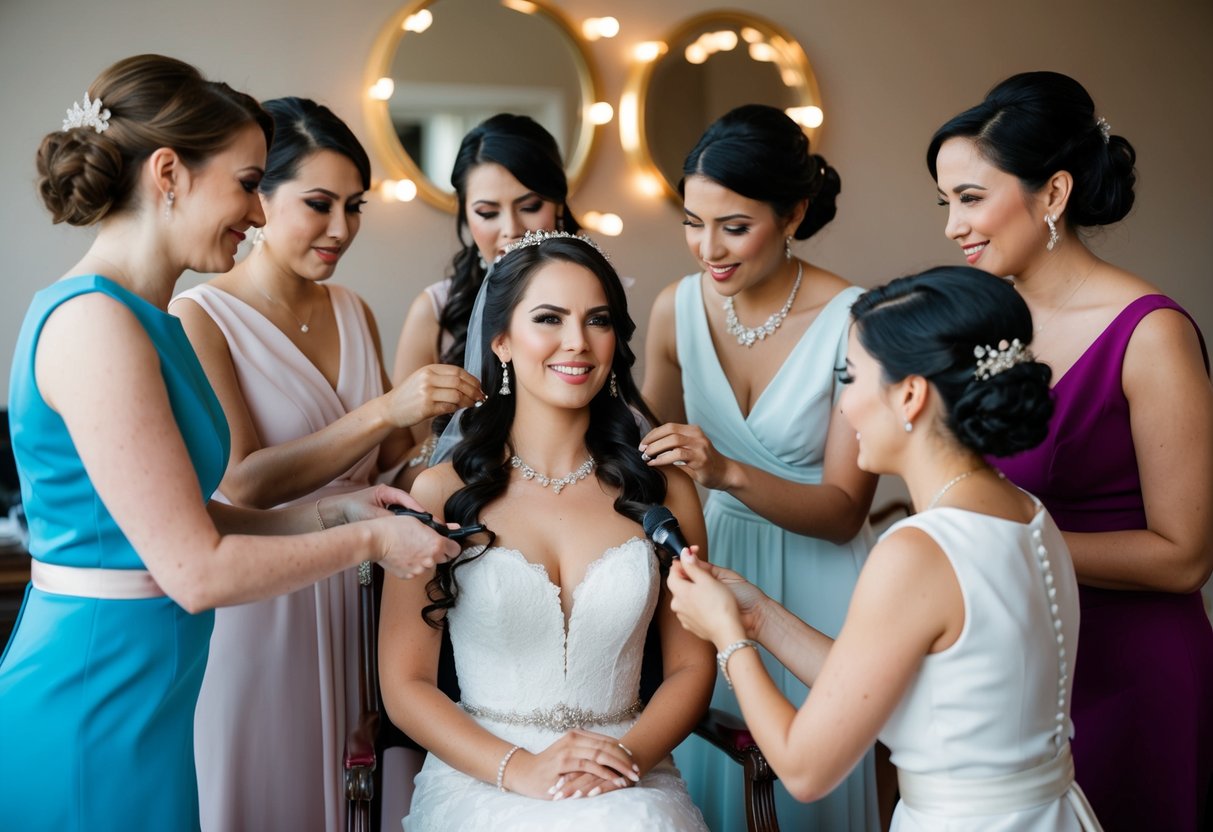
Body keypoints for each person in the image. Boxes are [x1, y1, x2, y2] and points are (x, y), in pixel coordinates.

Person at [0, 55, 459, 831]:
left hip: (157, 689)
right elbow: (196, 570)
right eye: (249, 183)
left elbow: (202, 516)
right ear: (170, 172)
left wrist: (347, 511)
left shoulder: (154, 320)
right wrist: (372, 540)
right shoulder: (93, 324)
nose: (256, 212)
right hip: (94, 693)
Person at [669, 266, 1103, 830]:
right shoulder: (1025, 514)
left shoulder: (919, 551)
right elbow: (896, 686)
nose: (843, 406)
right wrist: (756, 615)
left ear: (910, 395)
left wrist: (725, 637)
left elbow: (804, 769)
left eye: (849, 379)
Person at [168, 97, 482, 831]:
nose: (341, 229)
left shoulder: (352, 309)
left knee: (368, 789)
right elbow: (241, 479)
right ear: (259, 198)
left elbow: (382, 468)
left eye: (353, 206)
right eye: (318, 204)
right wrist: (385, 409)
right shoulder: (199, 316)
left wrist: (444, 437)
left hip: (363, 592)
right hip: (265, 597)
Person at [929, 71, 1213, 831]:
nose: (952, 225)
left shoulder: (1150, 333)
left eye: (969, 197)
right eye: (944, 202)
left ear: (1051, 195)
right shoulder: (989, 322)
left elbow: (1184, 556)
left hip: (1129, 672)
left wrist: (1002, 538)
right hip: (1021, 663)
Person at [379, 230, 715, 830]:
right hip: (484, 772)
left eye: (597, 320)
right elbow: (405, 684)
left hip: (626, 771)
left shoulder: (663, 489)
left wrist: (626, 758)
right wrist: (519, 768)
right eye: (549, 319)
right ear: (502, 340)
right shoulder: (441, 493)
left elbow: (692, 666)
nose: (576, 342)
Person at [640, 103, 879, 830]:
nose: (706, 248)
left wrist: (726, 473)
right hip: (708, 571)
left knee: (809, 784)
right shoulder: (672, 309)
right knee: (711, 775)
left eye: (733, 227)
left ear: (794, 213)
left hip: (819, 583)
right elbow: (640, 456)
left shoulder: (857, 319)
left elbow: (844, 507)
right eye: (691, 221)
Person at [390, 114, 579, 484]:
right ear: (465, 216)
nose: (511, 229)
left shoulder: (594, 303)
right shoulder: (435, 310)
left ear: (558, 204)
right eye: (487, 213)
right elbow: (402, 458)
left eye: (529, 206)